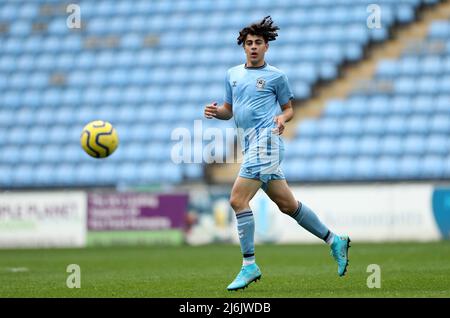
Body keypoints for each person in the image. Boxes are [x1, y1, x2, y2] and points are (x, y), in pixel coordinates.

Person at [204, 16, 350, 291]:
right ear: (243, 47)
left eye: (259, 42)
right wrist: (216, 113)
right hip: (250, 146)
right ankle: (335, 240)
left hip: (268, 143)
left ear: (267, 46)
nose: (254, 47)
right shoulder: (232, 75)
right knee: (287, 205)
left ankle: (249, 265)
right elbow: (229, 110)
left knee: (237, 200)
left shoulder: (276, 76)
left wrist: (283, 119)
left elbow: (289, 109)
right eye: (249, 43)